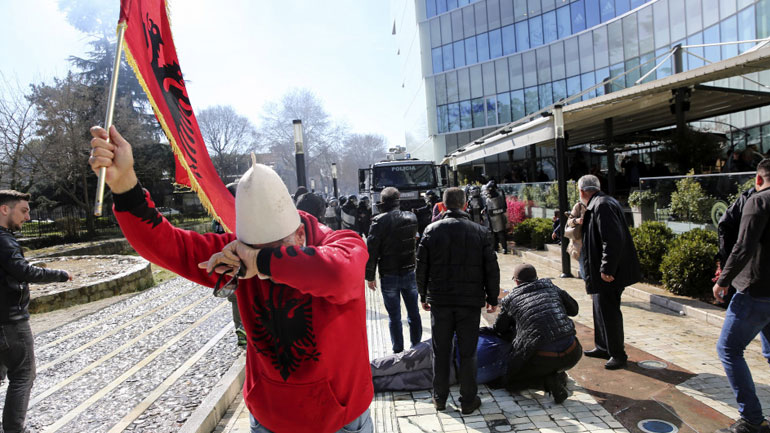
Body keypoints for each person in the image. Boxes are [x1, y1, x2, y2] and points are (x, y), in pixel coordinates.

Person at [88, 126, 373, 433]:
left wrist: (260, 262)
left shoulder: (342, 242)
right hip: (270, 418)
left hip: (340, 419)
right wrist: (125, 185)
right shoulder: (237, 254)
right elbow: (168, 245)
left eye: (275, 249)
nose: (258, 258)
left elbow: (340, 274)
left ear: (301, 234)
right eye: (254, 249)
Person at [416, 187, 500, 415]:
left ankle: (439, 397)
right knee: (468, 352)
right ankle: (468, 400)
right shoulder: (480, 232)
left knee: (441, 351)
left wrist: (423, 294)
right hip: (469, 303)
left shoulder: (431, 231)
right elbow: (491, 268)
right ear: (464, 205)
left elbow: (421, 266)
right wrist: (492, 298)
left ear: (442, 206)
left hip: (441, 301)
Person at [0, 190, 73, 433]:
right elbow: (22, 271)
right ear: (4, 209)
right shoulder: (4, 239)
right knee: (22, 376)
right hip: (10, 322)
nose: (28, 217)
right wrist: (59, 275)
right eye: (23, 210)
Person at [713, 159, 770, 433]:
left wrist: (723, 280)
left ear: (758, 179)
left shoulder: (758, 201)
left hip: (756, 289)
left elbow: (743, 245)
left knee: (729, 349)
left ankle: (752, 419)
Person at [492, 264, 581, 404]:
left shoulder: (511, 299)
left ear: (516, 281)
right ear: (536, 277)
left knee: (510, 381)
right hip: (574, 352)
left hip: (543, 359)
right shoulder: (550, 286)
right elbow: (574, 309)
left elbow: (499, 328)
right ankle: (556, 375)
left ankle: (548, 380)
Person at [578, 174, 640, 370]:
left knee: (609, 311)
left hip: (609, 272)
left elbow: (612, 239)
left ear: (581, 191)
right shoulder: (600, 203)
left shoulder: (602, 205)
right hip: (602, 270)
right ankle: (603, 346)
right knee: (600, 308)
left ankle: (618, 354)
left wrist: (607, 268)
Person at [365, 187, 421, 354]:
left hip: (388, 273)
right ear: (398, 200)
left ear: (383, 202)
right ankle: (417, 348)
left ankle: (398, 350)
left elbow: (372, 251)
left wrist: (370, 276)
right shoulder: (412, 217)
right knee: (414, 313)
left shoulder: (378, 222)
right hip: (409, 271)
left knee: (394, 316)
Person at [370, 328, 511, 392]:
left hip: (449, 366)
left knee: (400, 369)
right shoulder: (505, 362)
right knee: (400, 369)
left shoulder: (504, 357)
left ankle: (362, 382)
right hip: (448, 359)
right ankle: (361, 376)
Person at [211, 182, 247, 348]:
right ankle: (246, 330)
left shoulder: (217, 218)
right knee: (246, 297)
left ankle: (240, 329)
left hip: (225, 265)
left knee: (235, 299)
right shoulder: (243, 216)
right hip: (243, 263)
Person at [564, 201, 587, 278]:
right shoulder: (579, 206)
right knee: (584, 270)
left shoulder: (599, 204)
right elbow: (569, 222)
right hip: (581, 244)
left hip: (596, 244)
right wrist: (577, 220)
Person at [485, 181, 509, 254]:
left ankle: (504, 247)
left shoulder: (499, 196)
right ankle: (495, 248)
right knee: (493, 234)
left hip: (499, 217)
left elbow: (503, 207)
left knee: (500, 233)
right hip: (491, 217)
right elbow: (487, 208)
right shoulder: (488, 199)